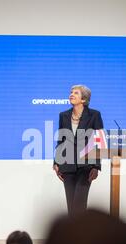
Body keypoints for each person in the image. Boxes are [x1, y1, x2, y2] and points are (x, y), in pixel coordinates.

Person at [53, 85, 104, 215]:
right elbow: (61, 140)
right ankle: (72, 235)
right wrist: (56, 162)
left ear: (83, 99)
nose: (71, 94)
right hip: (67, 164)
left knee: (79, 204)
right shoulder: (63, 115)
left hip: (86, 165)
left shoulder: (94, 115)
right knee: (71, 206)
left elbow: (99, 142)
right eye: (71, 92)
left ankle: (82, 234)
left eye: (76, 93)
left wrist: (96, 166)